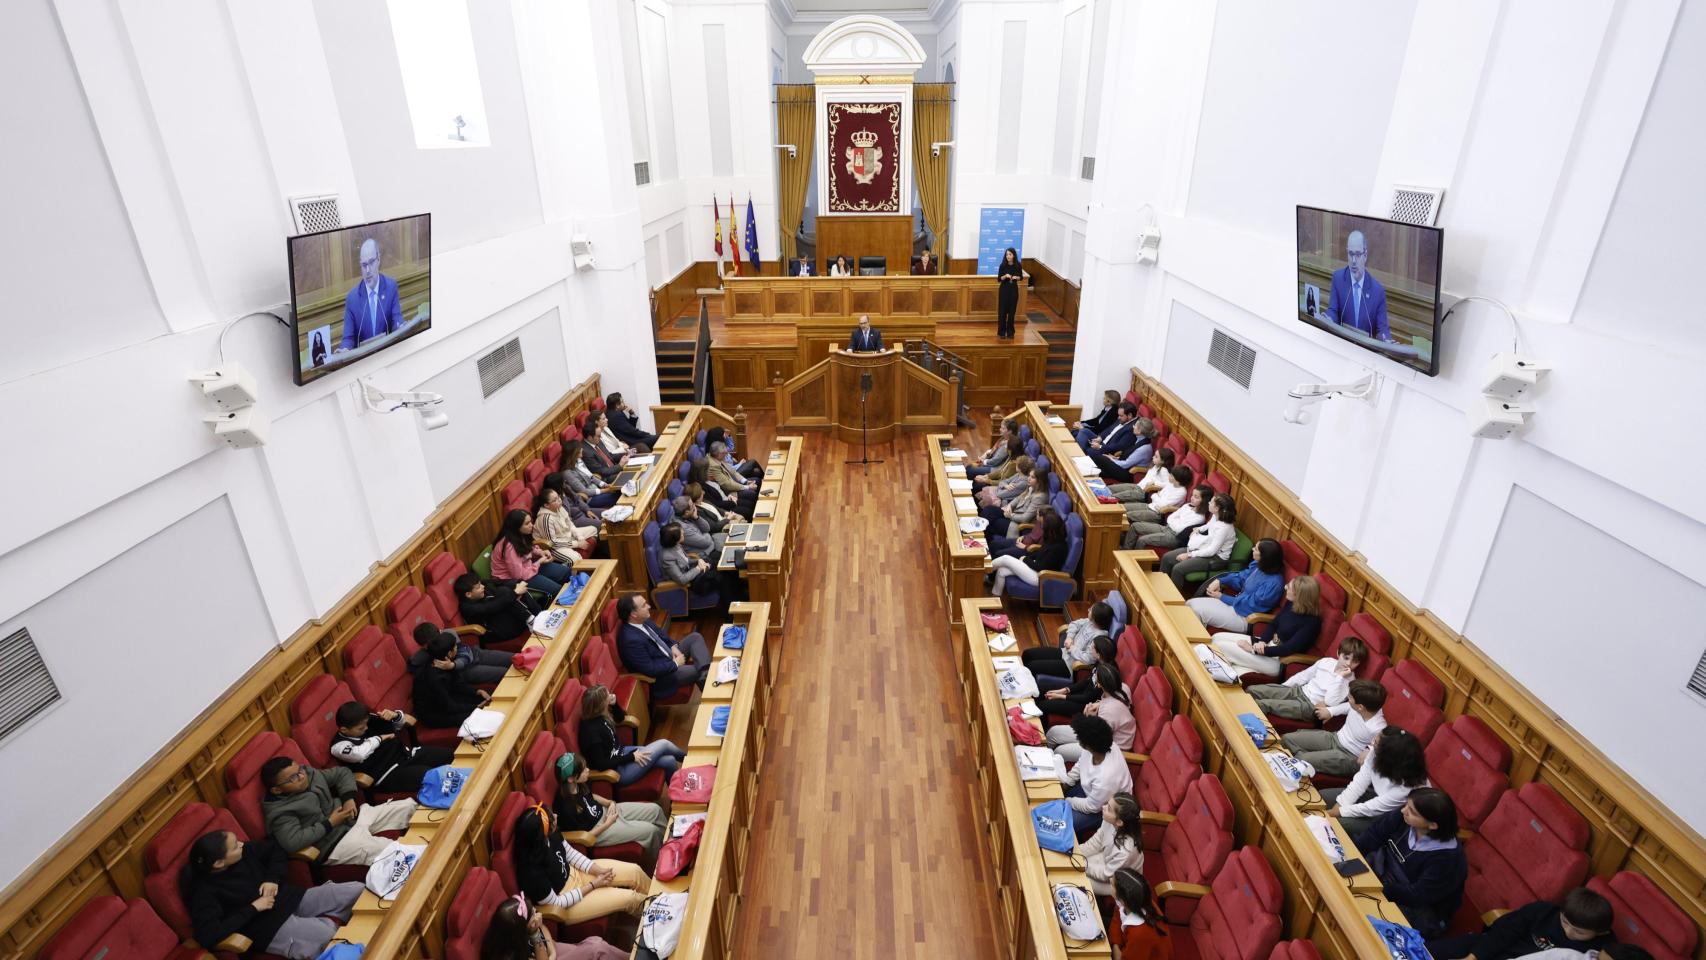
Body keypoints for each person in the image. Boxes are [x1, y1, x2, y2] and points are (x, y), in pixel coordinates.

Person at [180, 830, 363, 959]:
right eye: (235, 846)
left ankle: (325, 923)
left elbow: (277, 850)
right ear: (219, 863)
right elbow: (208, 935)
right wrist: (253, 908)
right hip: (267, 926)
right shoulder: (202, 892)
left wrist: (272, 879)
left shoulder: (244, 851)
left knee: (357, 890)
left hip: (290, 897)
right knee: (329, 937)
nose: (242, 844)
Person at [260, 756, 416, 866]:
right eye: (293, 778)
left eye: (299, 770)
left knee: (408, 807)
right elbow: (293, 842)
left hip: (350, 817)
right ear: (277, 790)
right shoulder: (280, 812)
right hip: (335, 843)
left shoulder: (309, 774)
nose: (301, 777)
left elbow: (342, 773)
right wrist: (329, 823)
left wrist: (348, 799)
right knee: (391, 851)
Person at [511, 803, 649, 923]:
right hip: (566, 902)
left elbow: (570, 854)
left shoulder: (551, 834)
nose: (556, 815)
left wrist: (597, 870)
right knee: (630, 899)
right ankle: (662, 916)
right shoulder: (531, 873)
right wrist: (594, 885)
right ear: (541, 835)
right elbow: (556, 903)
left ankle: (662, 896)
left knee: (634, 871)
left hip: (577, 873)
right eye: (552, 818)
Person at [1361, 789, 1467, 939]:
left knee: (1363, 918)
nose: (1403, 810)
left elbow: (1417, 896)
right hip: (1386, 877)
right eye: (1406, 805)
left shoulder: (1448, 859)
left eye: (1412, 811)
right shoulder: (1404, 816)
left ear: (1432, 825)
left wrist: (1374, 888)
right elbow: (1374, 834)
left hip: (1419, 906)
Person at [1428, 888, 1618, 960]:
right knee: (1422, 952)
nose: (1568, 932)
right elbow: (1503, 932)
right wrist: (1473, 958)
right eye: (1564, 922)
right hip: (1491, 948)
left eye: (1579, 932)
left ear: (1601, 932)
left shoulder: (1600, 951)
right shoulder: (1543, 911)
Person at [552, 753, 669, 856]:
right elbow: (585, 836)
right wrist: (608, 823)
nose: (588, 770)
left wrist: (609, 803)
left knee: (655, 809)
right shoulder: (565, 807)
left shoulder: (577, 784)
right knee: (651, 831)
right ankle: (666, 857)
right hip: (599, 831)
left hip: (606, 812)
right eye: (583, 770)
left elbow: (590, 796)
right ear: (571, 779)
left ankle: (673, 841)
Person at [1323, 726, 1429, 838]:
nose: (1372, 743)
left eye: (1376, 742)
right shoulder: (1375, 752)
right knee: (1323, 797)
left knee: (1338, 824)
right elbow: (1359, 781)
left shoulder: (1409, 786)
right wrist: (1339, 806)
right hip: (1376, 797)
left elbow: (1372, 808)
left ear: (1390, 758)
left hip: (1389, 815)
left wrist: (1338, 813)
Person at [1209, 575, 1323, 678]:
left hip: (1278, 660)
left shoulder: (1312, 623)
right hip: (1266, 646)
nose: (1285, 587)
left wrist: (1254, 650)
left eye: (1289, 587)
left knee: (1220, 646)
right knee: (1216, 637)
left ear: (1299, 596)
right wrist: (1262, 641)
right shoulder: (1291, 603)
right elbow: (1274, 623)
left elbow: (1288, 649)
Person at [330, 701, 456, 794]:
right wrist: (379, 738)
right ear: (344, 729)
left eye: (366, 725)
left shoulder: (366, 720)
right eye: (361, 728)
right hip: (388, 774)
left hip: (406, 755)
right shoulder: (339, 746)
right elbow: (358, 754)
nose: (366, 728)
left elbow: (399, 725)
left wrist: (395, 716)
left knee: (451, 756)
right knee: (435, 776)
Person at [578, 684, 687, 788]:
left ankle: (679, 797)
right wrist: (631, 757)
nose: (611, 696)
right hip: (618, 771)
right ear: (601, 706)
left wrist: (614, 704)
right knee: (664, 744)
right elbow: (602, 764)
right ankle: (691, 758)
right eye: (608, 697)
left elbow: (620, 719)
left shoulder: (600, 715)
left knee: (670, 761)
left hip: (624, 754)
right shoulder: (590, 733)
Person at [1279, 678, 1387, 777]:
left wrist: (1370, 749)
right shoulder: (1363, 706)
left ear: (1360, 707)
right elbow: (1347, 707)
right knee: (1287, 739)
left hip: (1348, 755)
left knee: (1301, 760)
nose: (1347, 699)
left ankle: (1301, 759)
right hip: (1334, 738)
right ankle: (1301, 757)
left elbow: (1383, 747)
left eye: (1350, 698)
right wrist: (1330, 711)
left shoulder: (1378, 727)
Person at [1247, 635, 1368, 723]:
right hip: (1299, 691)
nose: (1349, 664)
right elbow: (1304, 676)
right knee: (1252, 690)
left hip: (1310, 706)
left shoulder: (1350, 682)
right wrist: (1282, 688)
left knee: (1264, 704)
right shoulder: (1326, 662)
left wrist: (1339, 677)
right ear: (1338, 653)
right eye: (1346, 658)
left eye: (1355, 662)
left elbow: (1330, 702)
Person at [613, 592, 712, 698]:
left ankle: (705, 675)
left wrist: (673, 647)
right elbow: (650, 669)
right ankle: (709, 684)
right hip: (664, 676)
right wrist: (675, 664)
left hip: (668, 656)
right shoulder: (630, 641)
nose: (649, 606)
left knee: (695, 637)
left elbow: (662, 636)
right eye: (644, 605)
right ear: (633, 614)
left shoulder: (643, 620)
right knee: (699, 670)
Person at [478, 892, 628, 960]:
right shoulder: (510, 956)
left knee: (595, 942)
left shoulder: (515, 933)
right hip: (543, 954)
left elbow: (544, 929)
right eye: (533, 915)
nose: (538, 915)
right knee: (597, 951)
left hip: (550, 950)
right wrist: (535, 934)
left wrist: (552, 951)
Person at [1184, 538, 1285, 633]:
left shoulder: (1273, 583)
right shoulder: (1258, 565)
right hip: (1235, 604)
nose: (1252, 549)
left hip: (1245, 617)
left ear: (1265, 557)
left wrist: (1222, 597)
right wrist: (1220, 581)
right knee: (1189, 603)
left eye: (1256, 549)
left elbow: (1249, 605)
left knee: (1196, 610)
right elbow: (1241, 578)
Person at [1059, 714, 1133, 840]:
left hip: (1105, 809)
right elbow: (1081, 762)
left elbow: (1091, 807)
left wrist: (1067, 801)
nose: (1077, 740)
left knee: (1062, 824)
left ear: (1088, 745)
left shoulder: (1107, 778)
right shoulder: (1098, 746)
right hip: (1092, 793)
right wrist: (1067, 782)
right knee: (1056, 801)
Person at [1045, 664, 1135, 762]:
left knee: (1060, 751)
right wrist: (1099, 704)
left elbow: (1098, 739)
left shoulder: (1108, 712)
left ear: (1099, 684)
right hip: (1102, 732)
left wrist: (1089, 718)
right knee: (1053, 732)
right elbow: (1121, 705)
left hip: (1109, 749)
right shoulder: (1124, 688)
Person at [411, 630, 492, 729]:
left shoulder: (445, 662)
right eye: (455, 646)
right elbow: (449, 706)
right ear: (449, 653)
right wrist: (475, 707)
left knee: (485, 698)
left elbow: (458, 684)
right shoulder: (433, 677)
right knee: (478, 715)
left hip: (448, 698)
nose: (457, 647)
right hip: (434, 713)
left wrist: (477, 691)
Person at [1159, 492, 1237, 589]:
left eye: (1211, 502)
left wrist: (1189, 555)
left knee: (1178, 569)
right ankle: (1161, 587)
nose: (1208, 503)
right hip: (1205, 547)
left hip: (1216, 558)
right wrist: (1199, 529)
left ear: (1217, 508)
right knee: (1167, 557)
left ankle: (1172, 597)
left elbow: (1211, 551)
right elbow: (1209, 525)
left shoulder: (1224, 528)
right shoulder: (1216, 515)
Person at [1324, 229, 1391, 341]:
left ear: (1365, 255)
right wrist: (1329, 319)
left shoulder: (1377, 291)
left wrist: (1385, 338)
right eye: (1350, 254)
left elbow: (1382, 329)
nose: (1353, 261)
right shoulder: (1338, 278)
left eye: (1358, 254)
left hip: (1365, 352)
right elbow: (1333, 311)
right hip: (1342, 346)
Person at [338, 238, 403, 351]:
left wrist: (401, 327)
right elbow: (348, 338)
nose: (368, 270)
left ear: (378, 259)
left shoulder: (390, 287)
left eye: (371, 262)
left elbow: (396, 320)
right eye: (364, 265)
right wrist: (345, 349)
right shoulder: (352, 299)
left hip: (387, 354)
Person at [1036, 636, 1121, 721]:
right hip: (1081, 694)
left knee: (1043, 705)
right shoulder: (1100, 662)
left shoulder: (1107, 674)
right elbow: (1086, 681)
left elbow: (1087, 698)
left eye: (1092, 647)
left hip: (1084, 705)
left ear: (1099, 654)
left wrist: (1060, 696)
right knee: (1040, 690)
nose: (1090, 648)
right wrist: (1064, 690)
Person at [1021, 601, 1113, 680]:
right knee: (1027, 654)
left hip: (1069, 665)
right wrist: (1070, 637)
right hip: (1064, 652)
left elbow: (1088, 659)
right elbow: (1074, 624)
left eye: (1091, 610)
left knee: (1031, 667)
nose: (1088, 610)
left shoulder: (1099, 638)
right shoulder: (1090, 622)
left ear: (1096, 617)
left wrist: (1072, 648)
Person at [491, 509, 573, 596]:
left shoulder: (520, 534)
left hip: (527, 566)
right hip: (513, 579)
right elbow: (519, 575)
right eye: (527, 524)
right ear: (516, 527)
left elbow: (527, 549)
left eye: (531, 522)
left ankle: (571, 597)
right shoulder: (509, 547)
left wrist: (539, 552)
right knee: (558, 591)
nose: (532, 525)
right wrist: (539, 562)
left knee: (566, 572)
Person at [989, 511, 1069, 596]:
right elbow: (1039, 553)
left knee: (1005, 558)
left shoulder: (1058, 548)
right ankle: (996, 597)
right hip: (1034, 568)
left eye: (1043, 525)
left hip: (1040, 577)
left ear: (1050, 528)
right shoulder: (1051, 539)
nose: (1042, 527)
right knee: (1002, 570)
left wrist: (1025, 559)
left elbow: (1041, 567)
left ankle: (982, 571)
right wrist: (1027, 557)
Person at [456, 572, 540, 649]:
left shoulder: (481, 586)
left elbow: (501, 582)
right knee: (505, 593)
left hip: (508, 620)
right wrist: (515, 593)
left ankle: (537, 616)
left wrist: (519, 582)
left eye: (480, 583)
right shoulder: (466, 607)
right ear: (468, 594)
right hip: (497, 632)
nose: (483, 586)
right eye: (478, 587)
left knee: (507, 589)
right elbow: (490, 607)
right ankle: (533, 620)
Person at [1082, 793, 1144, 896]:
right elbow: (1096, 841)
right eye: (1107, 804)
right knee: (1073, 862)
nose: (1103, 807)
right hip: (1107, 861)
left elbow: (1107, 875)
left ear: (1119, 822)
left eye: (1109, 808)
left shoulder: (1125, 851)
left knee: (1077, 878)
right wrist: (1075, 852)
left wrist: (1083, 865)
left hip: (1116, 883)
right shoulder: (1110, 821)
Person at [413, 622, 513, 685]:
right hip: (465, 671)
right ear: (422, 646)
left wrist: (453, 665)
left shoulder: (449, 633)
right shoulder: (422, 657)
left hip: (474, 654)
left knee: (514, 658)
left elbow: (464, 652)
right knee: (506, 673)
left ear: (440, 632)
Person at [1124, 482, 1210, 551]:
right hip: (1166, 528)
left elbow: (1179, 529)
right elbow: (1170, 517)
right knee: (1135, 526)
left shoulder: (1199, 518)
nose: (1192, 498)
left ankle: (1135, 561)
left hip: (1173, 537)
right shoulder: (1187, 506)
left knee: (1142, 540)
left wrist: (1175, 521)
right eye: (1192, 495)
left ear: (1204, 501)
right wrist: (1175, 522)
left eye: (1196, 497)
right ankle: (1126, 550)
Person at [1110, 868, 1174, 960]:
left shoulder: (1140, 934)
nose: (1110, 882)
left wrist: (1115, 949)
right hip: (1128, 947)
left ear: (1123, 899)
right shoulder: (1137, 901)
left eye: (1112, 884)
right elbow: (1117, 918)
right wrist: (1115, 945)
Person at [1120, 464, 1192, 528]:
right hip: (1151, 505)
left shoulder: (1181, 492)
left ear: (1178, 480)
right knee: (1122, 508)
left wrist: (1155, 496)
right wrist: (1158, 496)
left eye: (1171, 475)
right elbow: (1159, 498)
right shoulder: (1171, 484)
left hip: (1156, 514)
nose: (1169, 476)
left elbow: (1162, 504)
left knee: (1127, 515)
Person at [536, 487, 596, 564]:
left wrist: (580, 537)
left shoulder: (559, 507)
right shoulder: (545, 518)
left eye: (558, 497)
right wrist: (577, 544)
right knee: (576, 559)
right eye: (554, 500)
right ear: (547, 505)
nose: (559, 500)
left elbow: (570, 524)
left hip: (566, 536)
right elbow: (552, 543)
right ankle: (571, 574)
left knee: (593, 529)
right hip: (554, 547)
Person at [1090, 418, 1157, 484]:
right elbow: (1130, 457)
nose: (1133, 427)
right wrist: (1116, 458)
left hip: (1128, 474)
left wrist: (1111, 459)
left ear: (1140, 431)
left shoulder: (1144, 448)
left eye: (1135, 426)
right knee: (1100, 469)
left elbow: (1126, 464)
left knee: (1100, 457)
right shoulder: (1140, 440)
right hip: (1124, 467)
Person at [561, 440, 621, 509]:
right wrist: (606, 490)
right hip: (590, 498)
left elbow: (591, 477)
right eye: (580, 449)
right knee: (617, 496)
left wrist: (605, 485)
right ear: (574, 453)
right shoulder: (568, 473)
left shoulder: (579, 461)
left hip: (597, 489)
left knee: (620, 490)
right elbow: (584, 491)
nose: (582, 449)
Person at [996, 247, 1022, 339]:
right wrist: (1005, 276)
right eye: (1007, 254)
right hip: (1004, 290)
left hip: (1013, 291)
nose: (1008, 256)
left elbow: (1021, 277)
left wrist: (1016, 277)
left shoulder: (1018, 265)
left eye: (1010, 254)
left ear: (1013, 255)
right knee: (1002, 312)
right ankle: (1001, 332)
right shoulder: (1002, 265)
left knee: (1012, 313)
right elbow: (999, 279)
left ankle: (1010, 332)